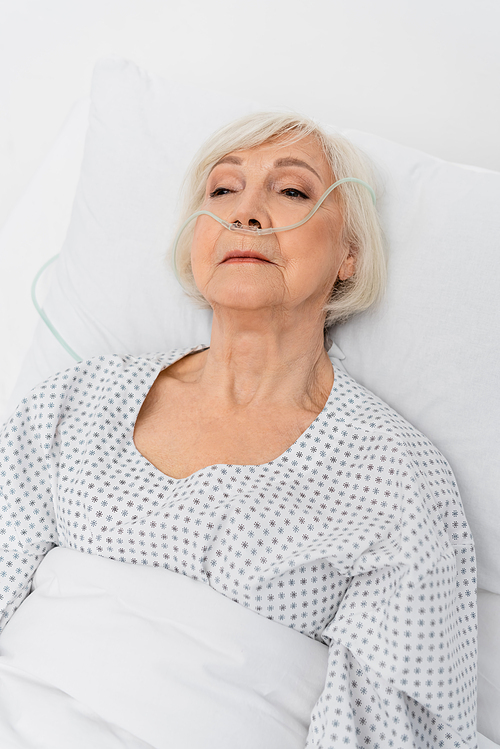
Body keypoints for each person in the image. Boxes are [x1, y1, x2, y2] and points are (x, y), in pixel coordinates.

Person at [0, 112, 477, 748]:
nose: (244, 212)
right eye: (222, 190)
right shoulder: (82, 401)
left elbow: (392, 726)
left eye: (292, 191)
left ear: (349, 255)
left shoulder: (392, 476)